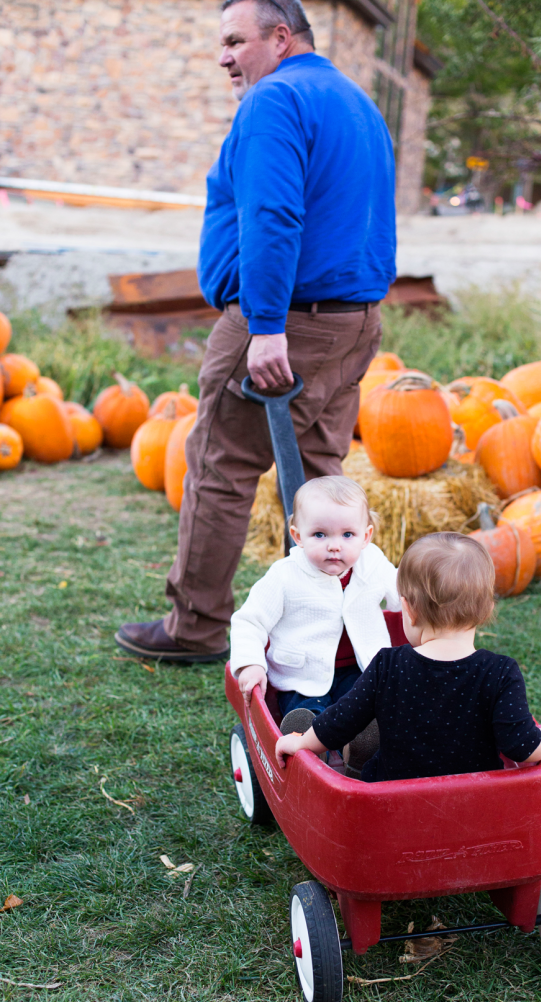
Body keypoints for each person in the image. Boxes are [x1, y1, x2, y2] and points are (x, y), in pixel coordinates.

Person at [115, 0, 396, 662]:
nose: (224, 57)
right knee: (322, 481)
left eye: (235, 40)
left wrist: (266, 326)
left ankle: (194, 627)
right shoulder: (355, 102)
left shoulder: (276, 98)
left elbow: (271, 216)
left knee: (219, 468)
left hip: (285, 321)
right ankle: (337, 631)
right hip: (353, 321)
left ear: (279, 36)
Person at [275, 533, 541, 781]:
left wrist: (301, 742)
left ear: (409, 609)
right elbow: (520, 744)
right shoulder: (500, 672)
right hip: (473, 801)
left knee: (370, 755)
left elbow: (339, 721)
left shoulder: (388, 665)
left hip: (392, 797)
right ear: (485, 610)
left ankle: (352, 766)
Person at [230, 476, 400, 734]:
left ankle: (362, 746)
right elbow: (249, 621)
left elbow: (405, 595)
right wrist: (251, 663)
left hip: (360, 668)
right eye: (319, 534)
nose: (334, 546)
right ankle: (307, 737)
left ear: (366, 537)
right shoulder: (284, 575)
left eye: (347, 534)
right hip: (301, 675)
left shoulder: (373, 563)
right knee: (305, 708)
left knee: (365, 705)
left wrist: (434, 602)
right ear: (298, 536)